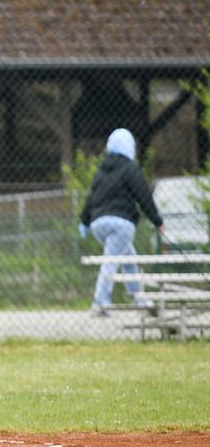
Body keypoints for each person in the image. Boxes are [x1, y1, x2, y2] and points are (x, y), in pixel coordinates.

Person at [79, 128, 164, 317]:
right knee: (111, 261)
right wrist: (157, 220)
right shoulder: (130, 168)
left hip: (98, 224)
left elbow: (91, 198)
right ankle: (100, 302)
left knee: (128, 259)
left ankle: (138, 298)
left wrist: (84, 222)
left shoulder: (101, 171)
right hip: (121, 225)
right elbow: (143, 196)